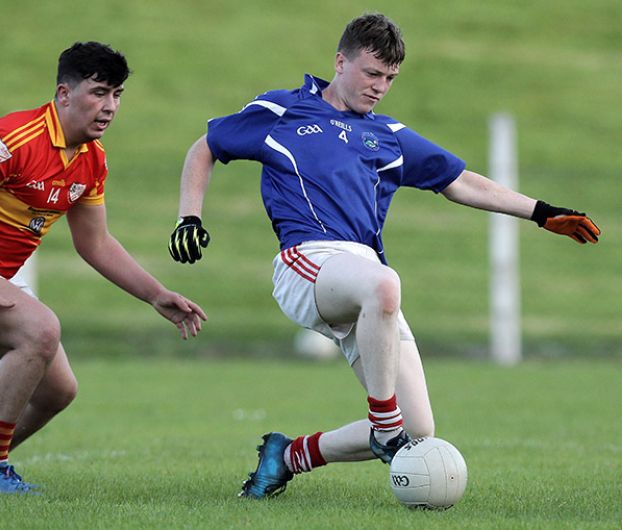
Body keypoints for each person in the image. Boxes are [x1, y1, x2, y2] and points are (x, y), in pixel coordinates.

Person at [168, 13, 600, 499]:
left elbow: (459, 182)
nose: (380, 87)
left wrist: (541, 213)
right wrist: (190, 216)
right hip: (307, 262)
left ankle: (288, 456)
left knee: (418, 433)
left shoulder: (387, 134)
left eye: (390, 78)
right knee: (384, 288)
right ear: (340, 61)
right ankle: (384, 422)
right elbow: (206, 146)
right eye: (372, 73)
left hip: (366, 283)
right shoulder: (282, 111)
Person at [0, 42, 207, 494]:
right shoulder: (10, 141)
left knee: (56, 392)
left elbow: (95, 243)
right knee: (41, 330)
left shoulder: (91, 159)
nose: (109, 107)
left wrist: (155, 294)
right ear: (64, 93)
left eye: (117, 95)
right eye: (98, 93)